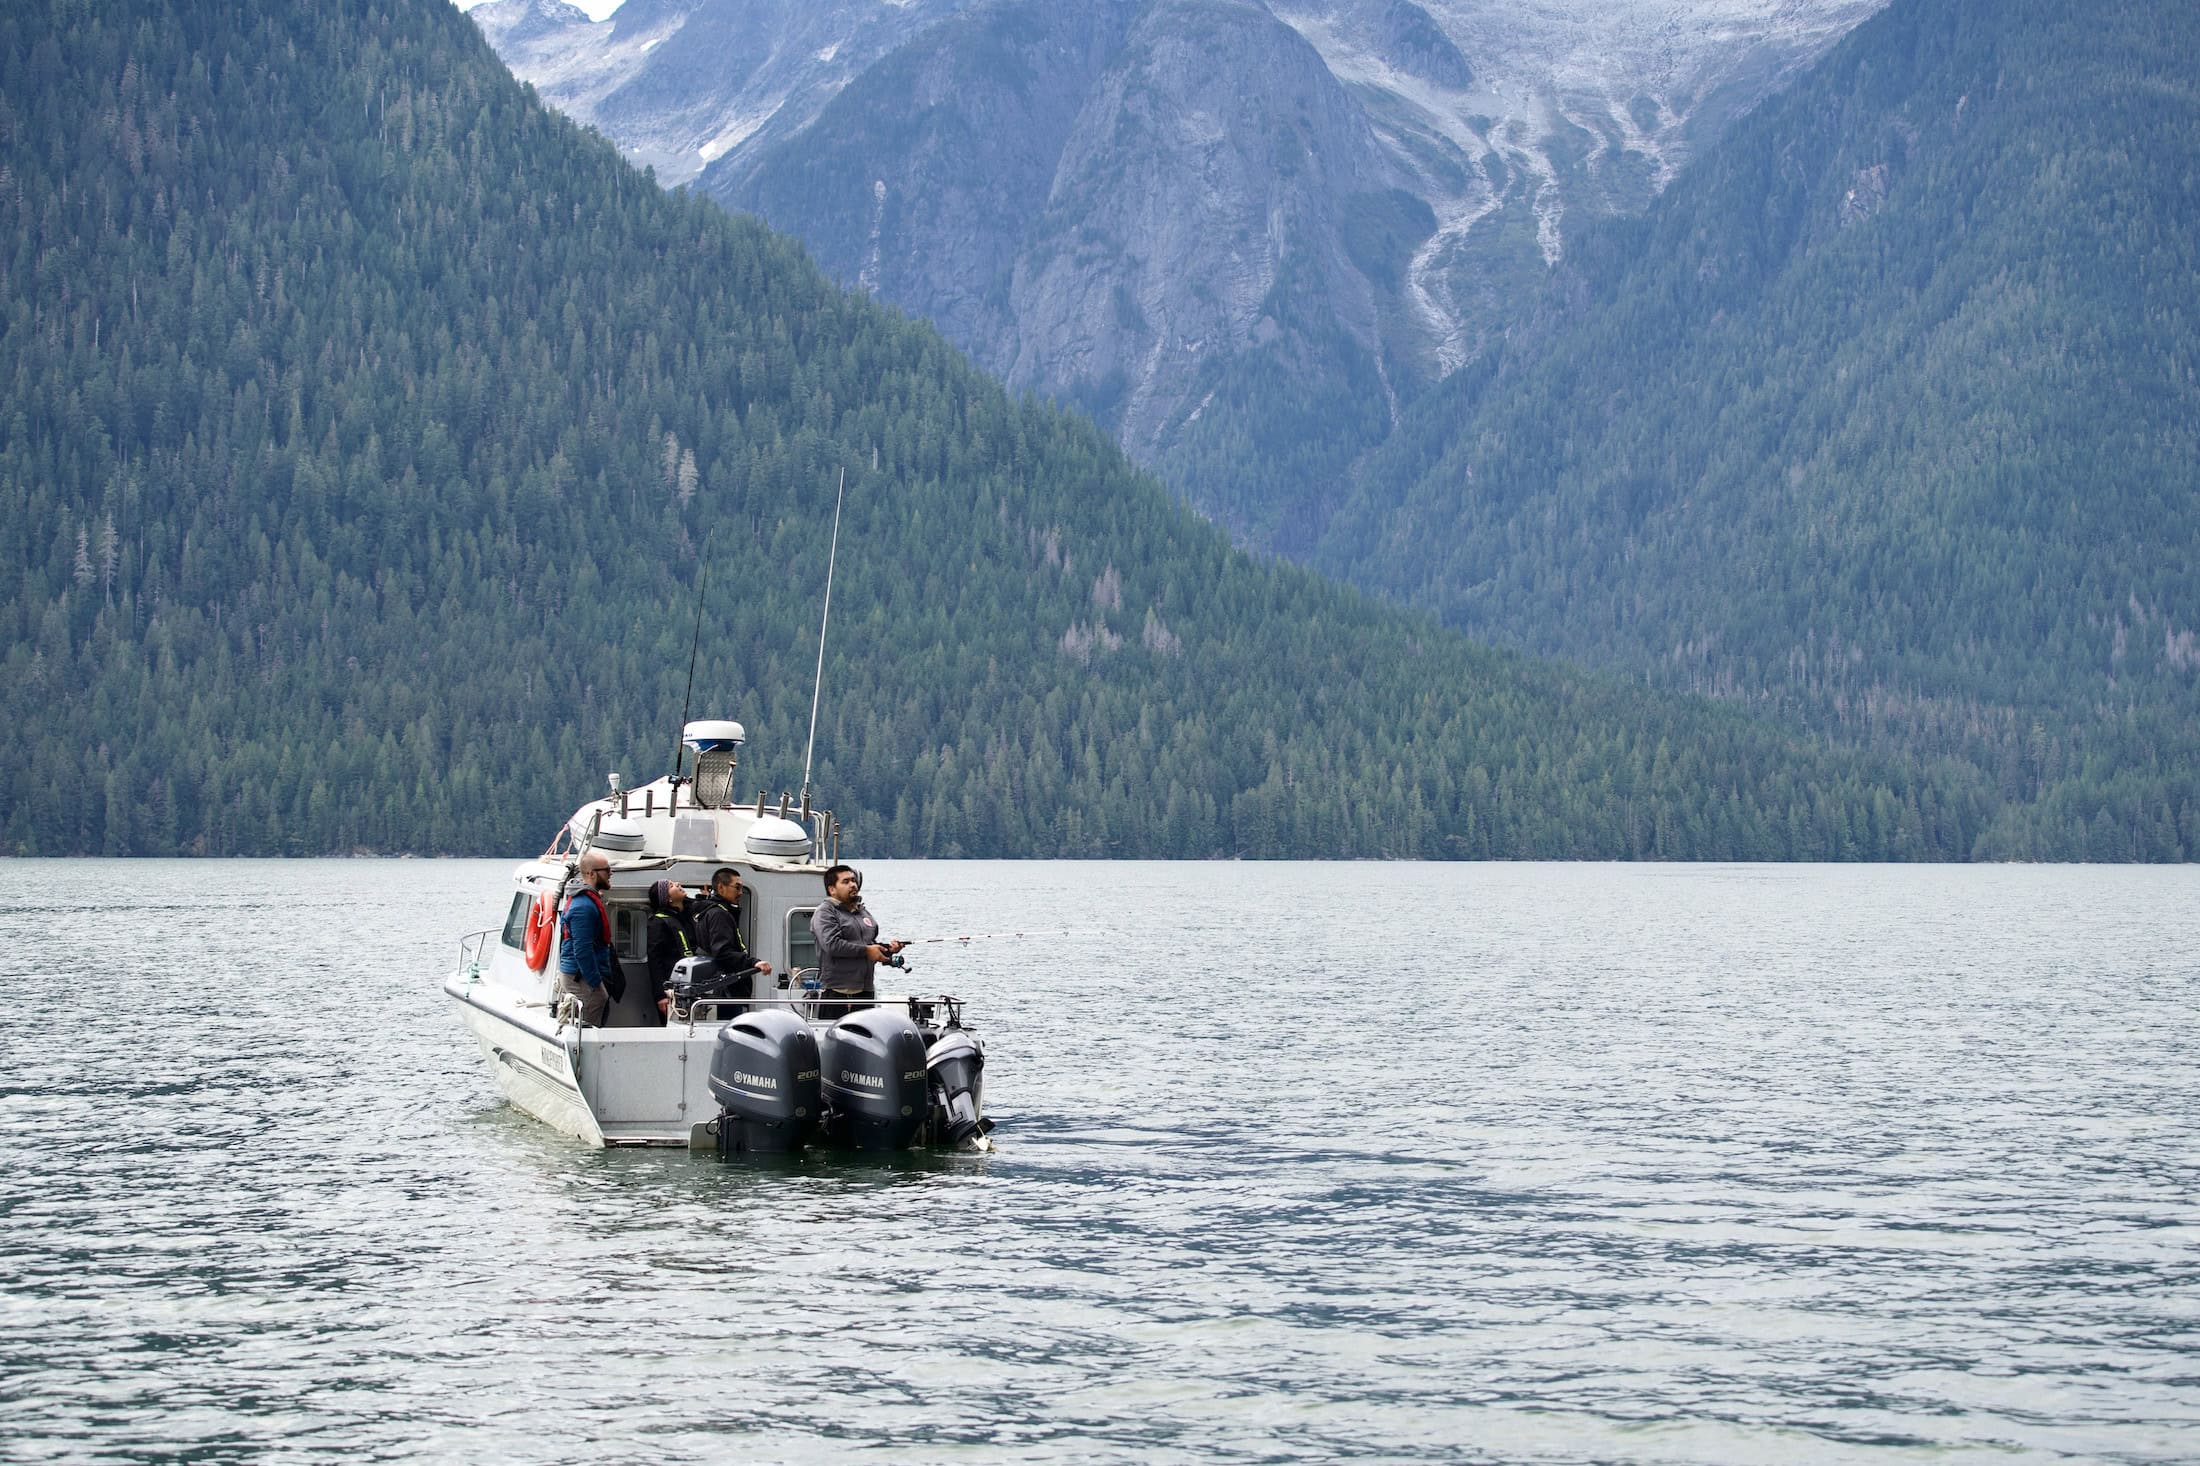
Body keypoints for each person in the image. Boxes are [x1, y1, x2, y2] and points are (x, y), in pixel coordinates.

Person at [808, 864, 904, 1020]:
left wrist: (889, 950)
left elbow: (869, 943)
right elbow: (832, 945)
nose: (853, 884)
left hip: (865, 992)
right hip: (838, 995)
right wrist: (867, 950)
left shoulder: (862, 911)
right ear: (832, 889)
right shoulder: (825, 912)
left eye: (853, 880)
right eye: (846, 882)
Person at [689, 868, 773, 1000]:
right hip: (726, 989)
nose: (740, 892)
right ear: (721, 887)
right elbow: (723, 952)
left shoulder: (710, 911)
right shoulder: (718, 914)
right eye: (737, 887)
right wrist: (753, 962)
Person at [555, 851, 617, 1026]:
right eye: (606, 870)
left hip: (583, 973)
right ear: (591, 873)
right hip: (579, 975)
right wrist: (595, 983)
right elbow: (582, 950)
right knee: (592, 1013)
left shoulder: (588, 901)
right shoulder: (583, 907)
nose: (610, 873)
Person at [643, 878, 693, 1026]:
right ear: (668, 898)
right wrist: (660, 995)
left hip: (688, 986)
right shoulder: (658, 922)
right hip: (670, 991)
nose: (678, 884)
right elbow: (654, 960)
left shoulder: (681, 917)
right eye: (671, 885)